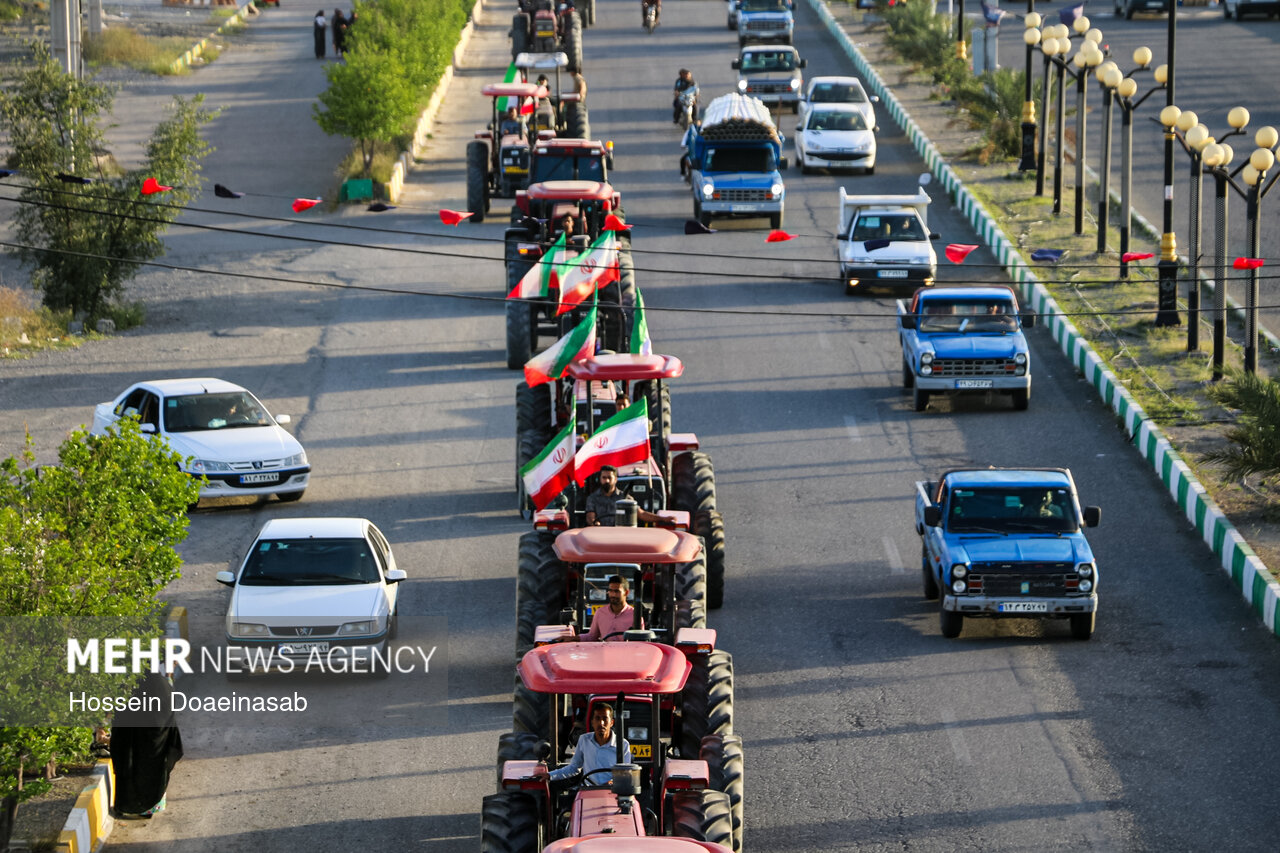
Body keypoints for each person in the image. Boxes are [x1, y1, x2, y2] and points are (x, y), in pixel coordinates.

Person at [109, 672, 184, 818]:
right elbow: (169, 714)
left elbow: (120, 712)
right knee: (152, 772)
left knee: (128, 768)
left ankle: (124, 805)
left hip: (130, 738)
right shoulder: (162, 684)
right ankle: (148, 809)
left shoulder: (130, 685)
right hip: (155, 743)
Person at [537, 704, 632, 785]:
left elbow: (626, 775)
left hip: (611, 793)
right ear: (592, 722)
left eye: (605, 719)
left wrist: (613, 782)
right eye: (597, 718)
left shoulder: (623, 745)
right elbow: (574, 768)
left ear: (611, 722)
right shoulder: (584, 740)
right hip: (587, 791)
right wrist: (550, 775)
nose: (601, 723)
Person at [585, 465, 666, 526]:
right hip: (600, 534)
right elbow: (590, 516)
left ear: (615, 479)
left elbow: (641, 514)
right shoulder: (593, 498)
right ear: (600, 479)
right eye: (604, 477)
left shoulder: (625, 498)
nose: (607, 480)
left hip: (621, 534)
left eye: (609, 478)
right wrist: (595, 523)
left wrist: (662, 518)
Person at [582, 575, 643, 641]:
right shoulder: (600, 613)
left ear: (626, 592)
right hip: (605, 650)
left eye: (617, 591)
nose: (613, 595)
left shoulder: (635, 615)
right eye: (611, 591)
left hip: (626, 650)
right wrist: (574, 638)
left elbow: (640, 642)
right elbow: (592, 636)